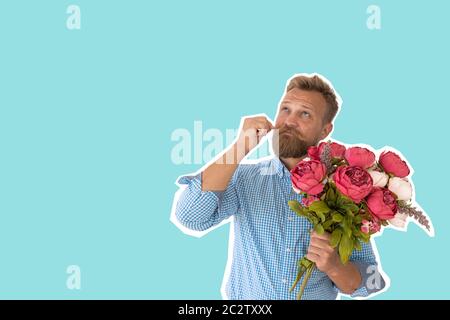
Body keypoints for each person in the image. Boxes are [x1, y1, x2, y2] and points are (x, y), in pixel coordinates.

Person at [172, 73, 386, 300]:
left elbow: (372, 281)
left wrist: (334, 266)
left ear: (325, 130)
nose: (289, 121)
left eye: (305, 113)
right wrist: (240, 147)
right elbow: (190, 217)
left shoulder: (344, 191)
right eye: (285, 109)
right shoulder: (244, 179)